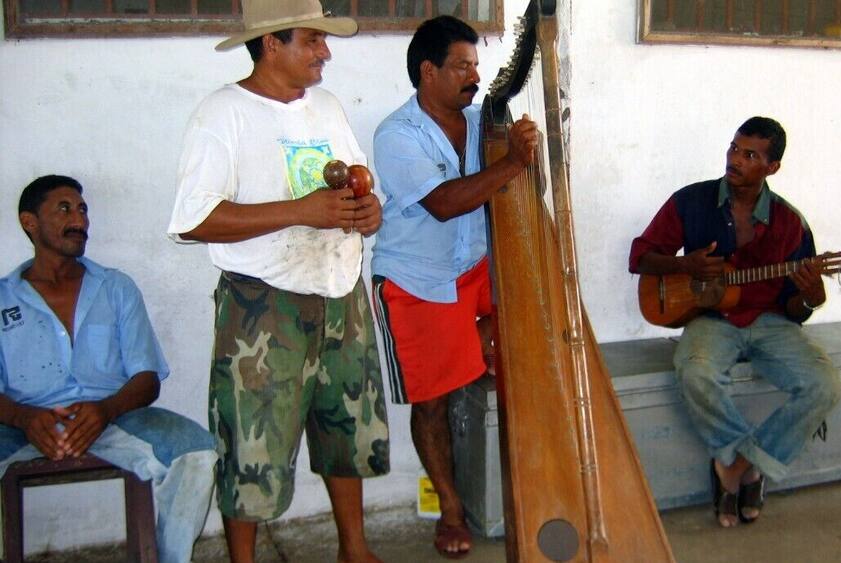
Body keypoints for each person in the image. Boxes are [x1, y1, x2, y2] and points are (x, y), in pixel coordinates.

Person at [166, 1, 390, 561]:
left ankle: (355, 550)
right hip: (262, 306)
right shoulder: (223, 113)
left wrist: (369, 212)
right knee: (251, 443)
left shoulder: (327, 107)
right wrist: (300, 212)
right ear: (271, 43)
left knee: (348, 430)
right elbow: (193, 220)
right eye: (312, 40)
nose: (325, 52)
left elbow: (359, 185)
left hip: (341, 293)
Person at [370, 15, 538, 559]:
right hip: (419, 280)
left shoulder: (482, 123)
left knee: (535, 333)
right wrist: (513, 162)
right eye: (462, 66)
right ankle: (450, 507)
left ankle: (476, 351)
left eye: (476, 65)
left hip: (475, 269)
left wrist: (530, 151)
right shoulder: (397, 135)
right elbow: (444, 204)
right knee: (432, 404)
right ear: (428, 71)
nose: (475, 76)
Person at [629, 117, 841, 528]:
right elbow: (640, 256)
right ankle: (747, 467)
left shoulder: (790, 223)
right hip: (712, 319)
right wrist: (685, 265)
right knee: (694, 373)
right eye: (733, 149)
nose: (735, 160)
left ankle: (739, 464)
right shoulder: (691, 201)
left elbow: (795, 308)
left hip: (771, 322)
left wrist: (811, 297)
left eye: (750, 155)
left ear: (772, 167)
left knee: (825, 384)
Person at [0, 175, 217, 563]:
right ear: (29, 222)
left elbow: (146, 379)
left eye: (83, 210)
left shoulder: (115, 287)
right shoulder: (3, 298)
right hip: (21, 424)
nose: (79, 220)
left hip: (111, 418)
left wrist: (105, 410)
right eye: (64, 209)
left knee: (197, 452)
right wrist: (24, 418)